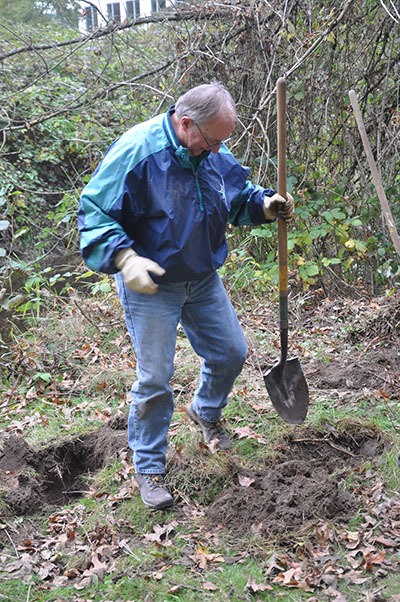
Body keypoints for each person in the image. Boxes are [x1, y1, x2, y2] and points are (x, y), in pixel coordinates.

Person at [78, 82, 293, 511]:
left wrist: (263, 206)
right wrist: (123, 258)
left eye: (223, 143)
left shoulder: (211, 151)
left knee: (232, 352)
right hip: (151, 284)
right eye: (213, 141)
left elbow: (235, 196)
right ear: (186, 123)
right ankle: (150, 465)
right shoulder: (138, 151)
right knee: (156, 377)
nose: (218, 151)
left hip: (202, 278)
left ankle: (206, 410)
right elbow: (94, 211)